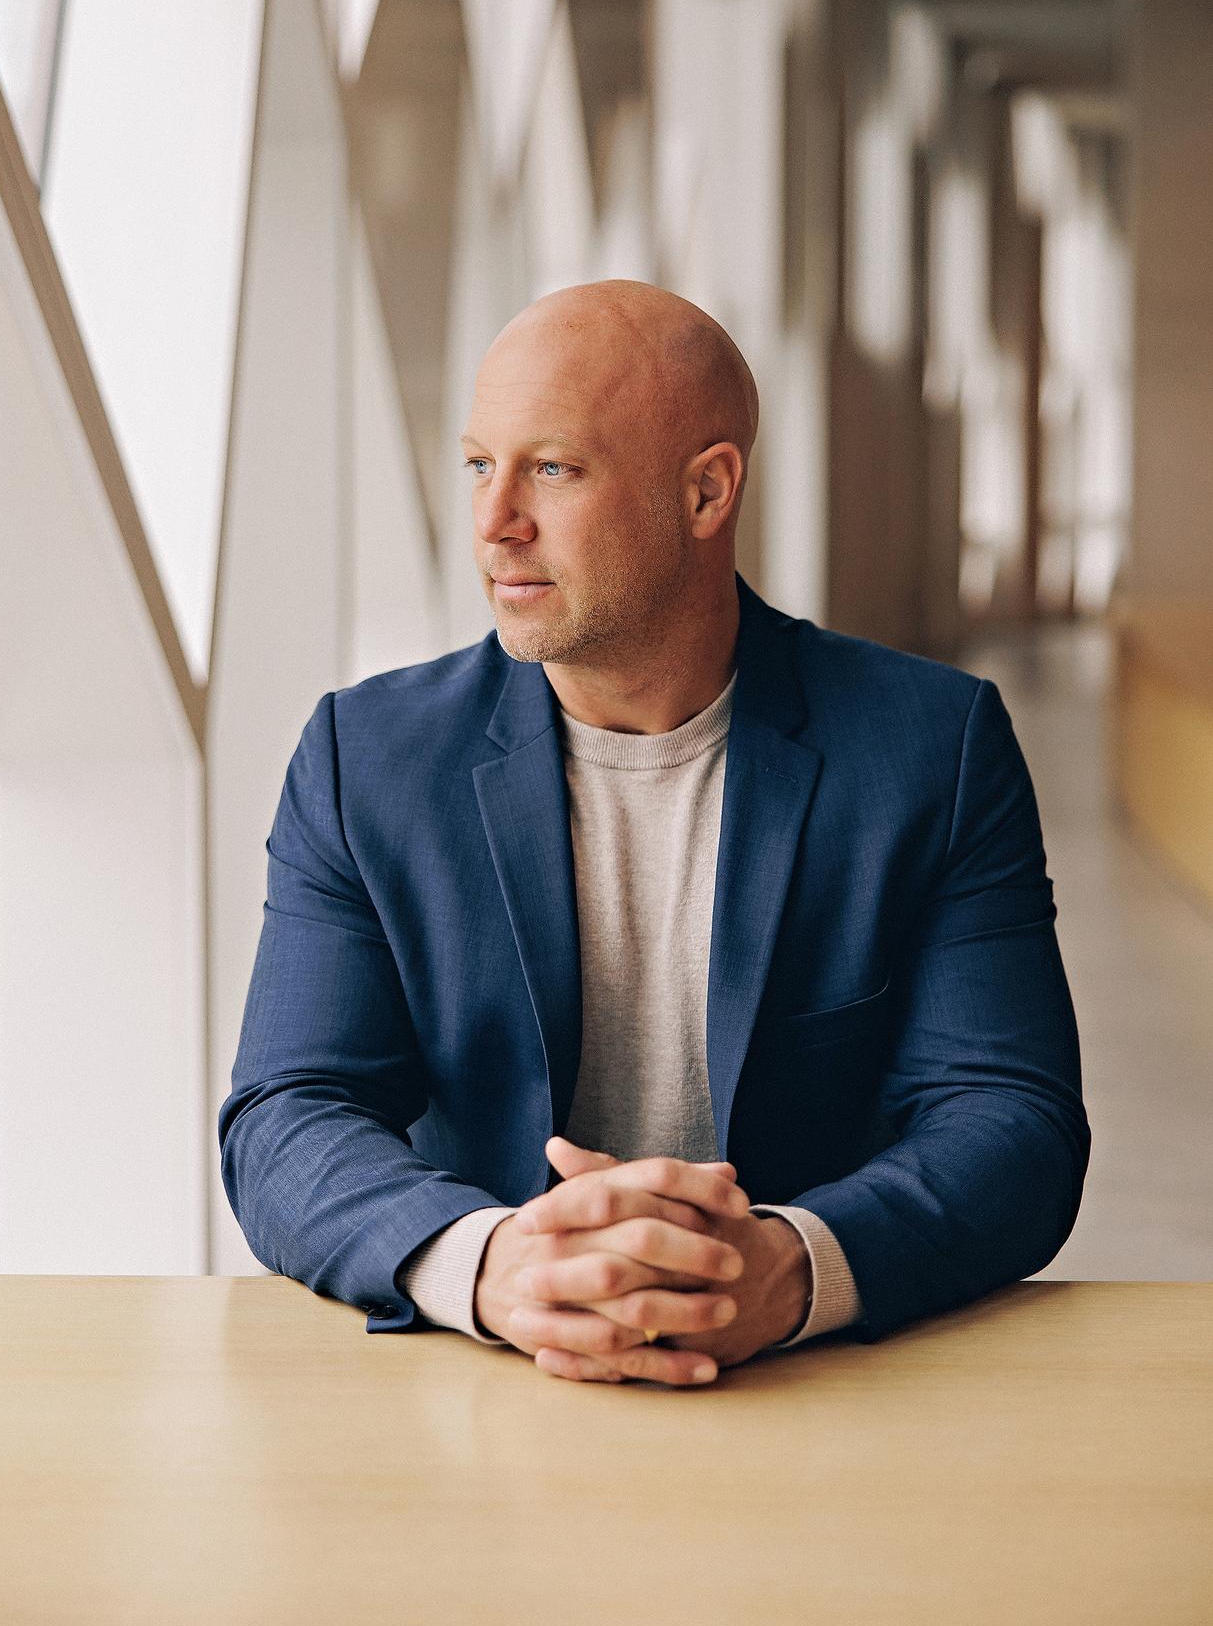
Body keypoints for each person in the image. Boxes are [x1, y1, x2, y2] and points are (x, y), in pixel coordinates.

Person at [219, 279, 1089, 1387]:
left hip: (817, 1395)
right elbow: (289, 1111)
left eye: (552, 468)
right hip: (481, 1390)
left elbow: (1011, 1119)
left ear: (705, 491)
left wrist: (784, 1264)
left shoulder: (930, 747)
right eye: (480, 463)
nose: (493, 523)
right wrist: (493, 1263)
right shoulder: (369, 759)